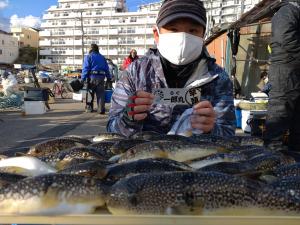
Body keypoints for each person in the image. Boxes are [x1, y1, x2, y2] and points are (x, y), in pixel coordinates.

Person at [107, 0, 236, 137]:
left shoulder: (217, 78)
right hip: (142, 155)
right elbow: (112, 129)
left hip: (196, 157)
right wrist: (127, 119)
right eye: (173, 29)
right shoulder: (135, 73)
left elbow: (228, 133)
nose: (183, 38)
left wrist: (211, 129)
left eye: (192, 30)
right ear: (157, 34)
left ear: (202, 36)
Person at [264, 0, 300, 151]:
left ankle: (295, 156)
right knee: (280, 111)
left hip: (294, 69)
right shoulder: (288, 10)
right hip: (285, 69)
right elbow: (284, 37)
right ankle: (271, 159)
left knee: (297, 114)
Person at [82, 44, 111, 114]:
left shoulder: (89, 57)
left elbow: (85, 68)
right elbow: (107, 69)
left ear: (91, 49)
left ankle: (89, 108)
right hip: (101, 77)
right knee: (100, 94)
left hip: (92, 77)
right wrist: (108, 78)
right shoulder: (102, 57)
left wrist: (83, 78)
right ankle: (101, 109)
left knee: (90, 93)